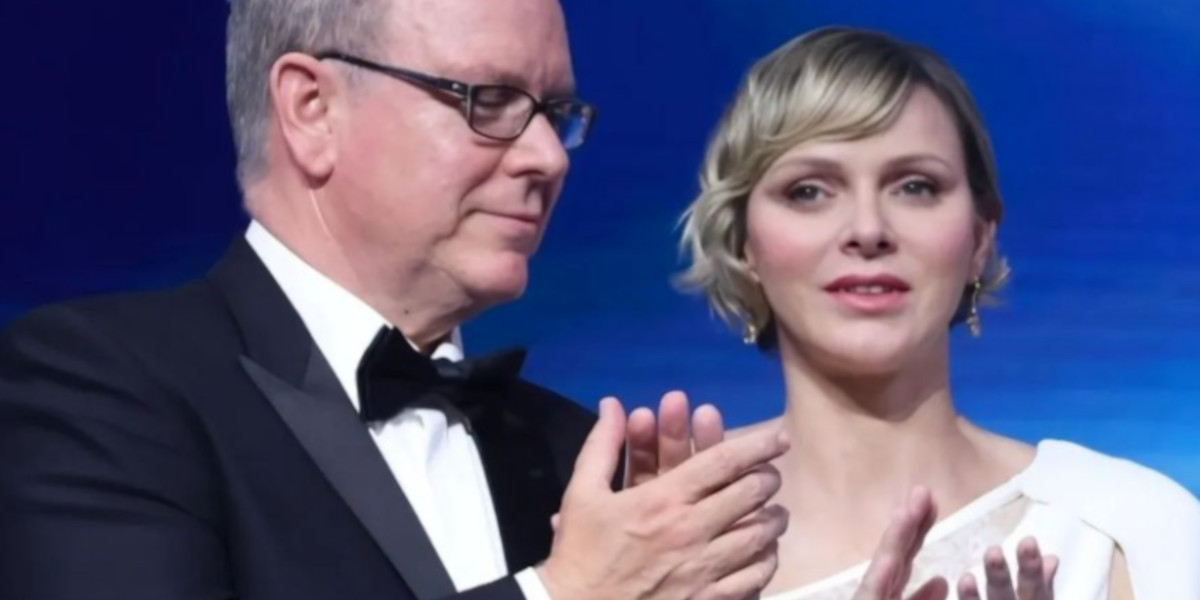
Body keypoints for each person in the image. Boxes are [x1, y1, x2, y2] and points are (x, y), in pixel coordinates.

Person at [0, 1, 794, 599]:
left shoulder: (578, 457)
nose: (548, 157)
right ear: (311, 110)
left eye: (554, 114)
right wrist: (562, 595)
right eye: (489, 99)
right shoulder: (97, 387)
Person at [676, 26, 1200, 600]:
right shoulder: (656, 529)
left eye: (915, 187)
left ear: (980, 236)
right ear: (744, 243)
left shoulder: (1132, 530)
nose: (868, 229)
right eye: (809, 191)